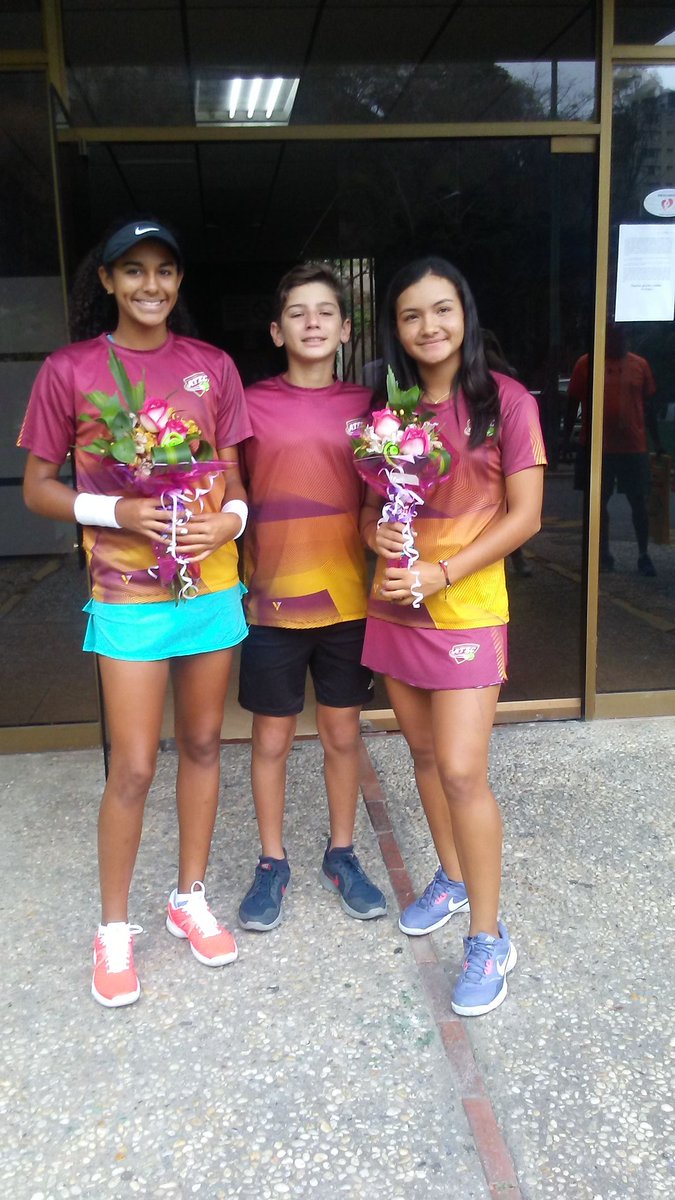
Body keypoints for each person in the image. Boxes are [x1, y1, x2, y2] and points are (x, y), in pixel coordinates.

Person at [18, 218, 252, 1007]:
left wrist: (235, 520)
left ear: (179, 283)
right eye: (134, 271)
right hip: (127, 594)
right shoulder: (71, 369)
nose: (151, 285)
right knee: (135, 765)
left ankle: (187, 896)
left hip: (211, 587)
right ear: (109, 282)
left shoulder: (211, 366)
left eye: (165, 271)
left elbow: (232, 471)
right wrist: (115, 511)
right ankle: (113, 929)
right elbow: (38, 487)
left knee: (202, 743)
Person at [360, 256, 546, 1017]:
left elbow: (524, 516)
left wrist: (441, 574)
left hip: (465, 610)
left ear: (464, 314)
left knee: (465, 770)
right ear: (395, 330)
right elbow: (368, 512)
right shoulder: (387, 410)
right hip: (394, 605)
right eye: (411, 315)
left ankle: (487, 937)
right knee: (425, 756)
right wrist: (378, 539)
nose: (428, 326)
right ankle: (449, 873)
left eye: (441, 309)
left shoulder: (503, 401)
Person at [237, 262, 386, 932]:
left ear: (345, 328)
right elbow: (226, 496)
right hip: (266, 602)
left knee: (341, 734)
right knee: (269, 739)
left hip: (348, 602)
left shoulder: (370, 408)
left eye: (325, 311)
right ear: (276, 329)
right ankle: (271, 862)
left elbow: (386, 499)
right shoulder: (246, 403)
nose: (312, 322)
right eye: (297, 312)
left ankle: (342, 852)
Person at [566, 323, 663, 575]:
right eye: (613, 334)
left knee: (638, 502)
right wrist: (567, 439)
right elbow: (572, 403)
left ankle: (643, 554)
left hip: (633, 447)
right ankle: (602, 554)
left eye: (623, 334)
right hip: (596, 447)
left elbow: (649, 407)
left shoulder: (639, 365)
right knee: (597, 503)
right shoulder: (586, 364)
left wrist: (657, 443)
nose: (619, 339)